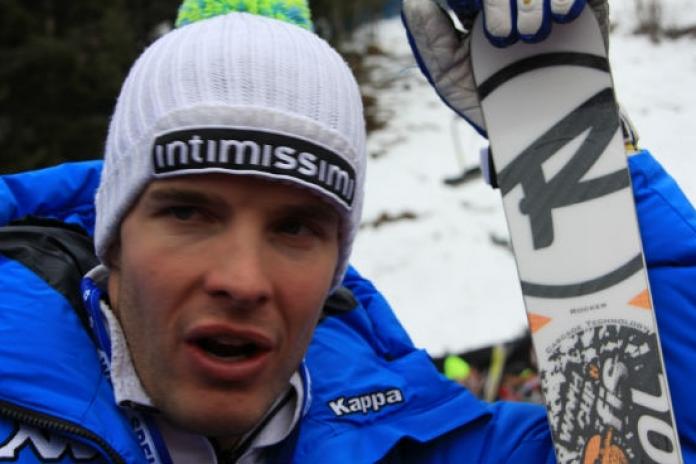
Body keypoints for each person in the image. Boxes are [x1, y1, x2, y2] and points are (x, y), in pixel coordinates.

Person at [0, 1, 694, 463]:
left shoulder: (407, 438)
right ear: (113, 235)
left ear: (337, 264)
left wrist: (570, 151)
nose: (241, 280)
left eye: (296, 226)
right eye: (188, 212)